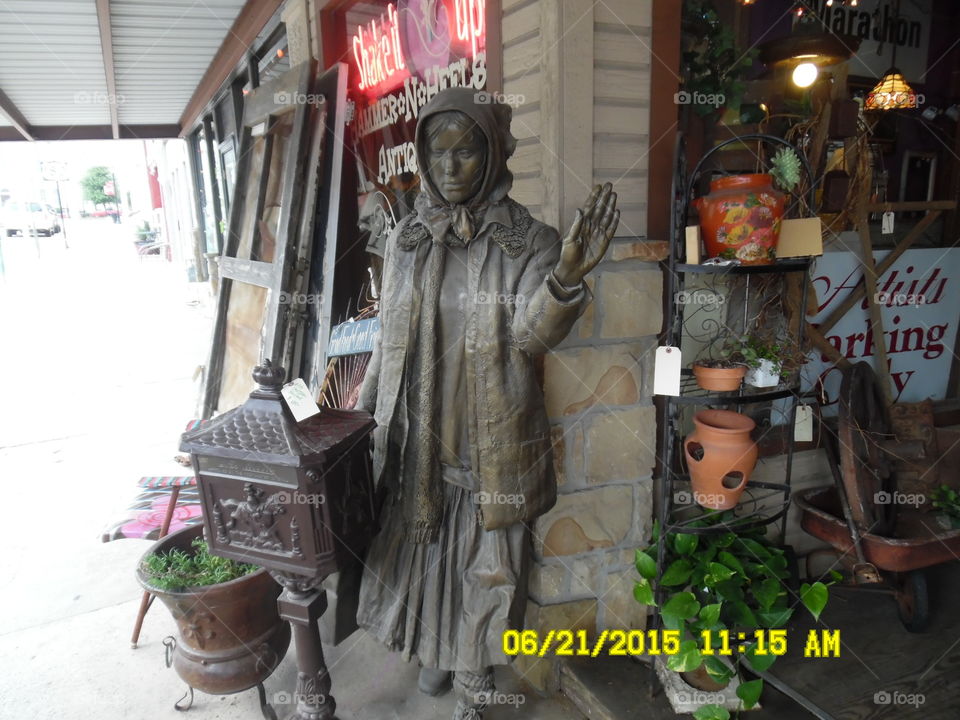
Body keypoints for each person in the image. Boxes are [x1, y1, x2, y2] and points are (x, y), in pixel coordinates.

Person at [356, 86, 619, 720]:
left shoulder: (530, 240)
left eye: (466, 152)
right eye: (437, 153)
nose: (449, 168)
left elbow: (529, 337)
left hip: (491, 431)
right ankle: (435, 654)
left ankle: (476, 677)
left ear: (494, 153)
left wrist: (566, 279)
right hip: (420, 430)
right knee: (423, 550)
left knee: (487, 561)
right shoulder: (410, 237)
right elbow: (388, 337)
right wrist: (362, 419)